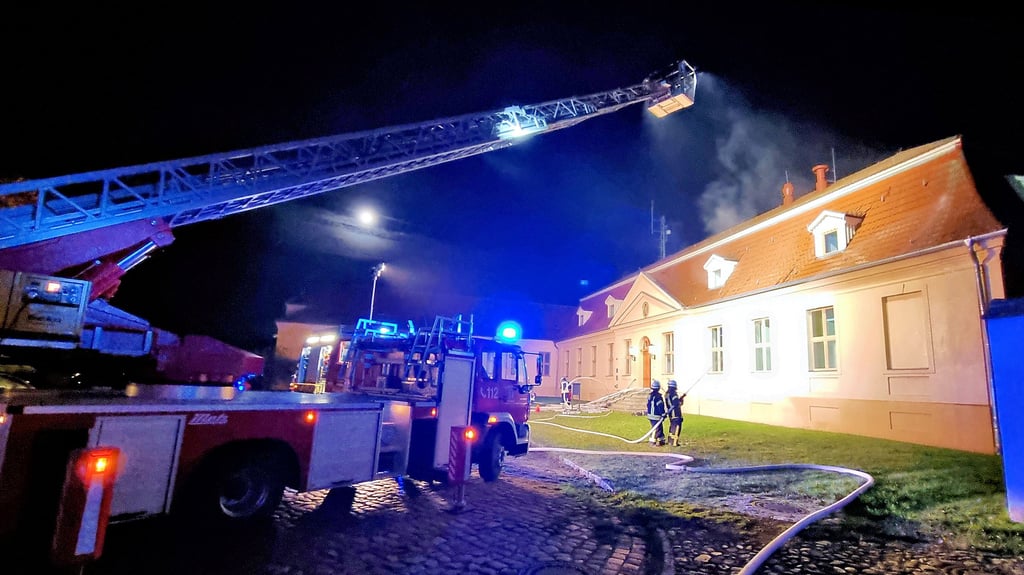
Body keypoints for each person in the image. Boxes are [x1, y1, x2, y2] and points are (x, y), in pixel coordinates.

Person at [646, 379, 666, 446]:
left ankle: (661, 440)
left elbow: (648, 404)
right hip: (656, 415)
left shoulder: (650, 395)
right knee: (656, 428)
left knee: (659, 427)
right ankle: (652, 441)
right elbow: (660, 406)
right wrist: (663, 414)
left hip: (650, 415)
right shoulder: (658, 397)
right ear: (658, 388)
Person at [665, 379, 685, 446]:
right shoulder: (673, 394)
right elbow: (676, 404)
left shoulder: (667, 394)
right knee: (676, 428)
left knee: (672, 427)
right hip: (676, 413)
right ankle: (674, 442)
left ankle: (670, 441)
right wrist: (681, 400)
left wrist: (680, 399)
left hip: (671, 414)